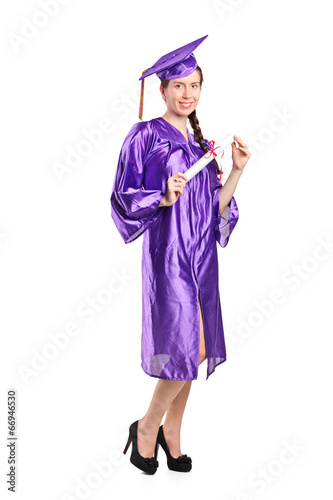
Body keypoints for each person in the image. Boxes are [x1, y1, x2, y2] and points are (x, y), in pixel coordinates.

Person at [110, 35, 251, 474]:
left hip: (202, 260)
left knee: (197, 350)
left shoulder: (201, 148)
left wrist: (237, 172)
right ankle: (149, 427)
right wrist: (161, 197)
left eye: (195, 86)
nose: (187, 94)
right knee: (180, 348)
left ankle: (172, 431)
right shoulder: (145, 136)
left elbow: (216, 212)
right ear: (163, 90)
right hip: (169, 259)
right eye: (179, 86)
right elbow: (122, 197)